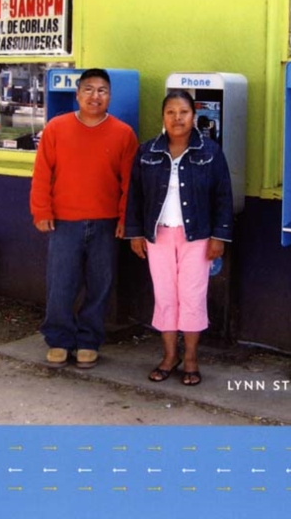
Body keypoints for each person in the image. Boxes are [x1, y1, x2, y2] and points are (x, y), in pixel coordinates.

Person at [30, 68, 138, 368]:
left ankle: (89, 340)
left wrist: (124, 219)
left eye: (102, 90)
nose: (95, 96)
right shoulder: (56, 128)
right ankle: (59, 339)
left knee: (100, 284)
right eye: (88, 89)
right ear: (77, 94)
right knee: (60, 283)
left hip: (105, 223)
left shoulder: (123, 133)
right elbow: (42, 174)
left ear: (110, 96)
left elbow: (129, 182)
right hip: (64, 221)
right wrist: (41, 210)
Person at [125, 90, 233, 386]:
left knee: (192, 297)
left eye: (183, 112)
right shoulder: (147, 152)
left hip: (196, 237)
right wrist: (135, 233)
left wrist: (219, 237)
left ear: (194, 116)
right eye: (171, 112)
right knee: (165, 296)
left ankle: (191, 359)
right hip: (158, 237)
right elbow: (134, 196)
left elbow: (223, 196)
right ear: (163, 117)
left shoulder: (210, 151)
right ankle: (170, 356)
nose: (177, 118)